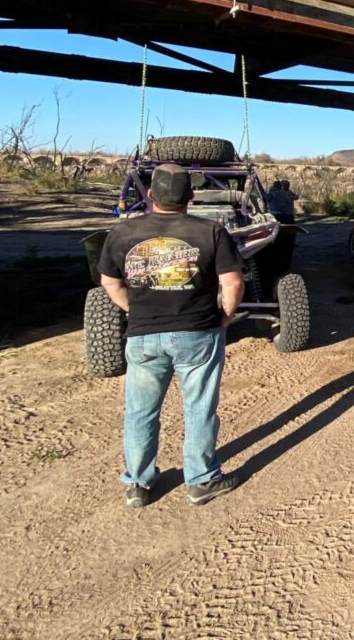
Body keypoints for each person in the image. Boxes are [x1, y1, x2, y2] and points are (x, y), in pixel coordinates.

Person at [98, 163, 244, 508]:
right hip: (198, 332)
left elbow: (109, 281)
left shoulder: (122, 233)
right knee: (199, 409)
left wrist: (133, 310)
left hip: (144, 335)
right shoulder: (211, 231)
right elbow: (233, 282)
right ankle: (201, 481)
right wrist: (225, 318)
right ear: (190, 196)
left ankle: (138, 482)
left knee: (140, 411)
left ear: (150, 195)